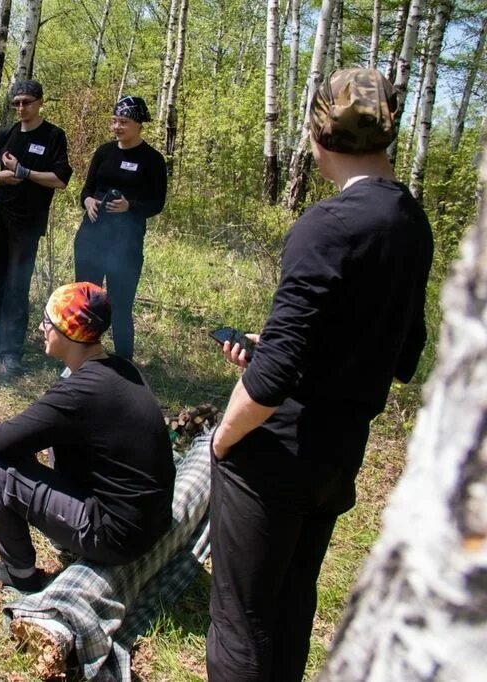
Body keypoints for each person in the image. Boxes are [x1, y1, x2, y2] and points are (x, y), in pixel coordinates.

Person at [206, 68, 434, 682]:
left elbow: (274, 379)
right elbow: (404, 352)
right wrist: (276, 345)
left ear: (319, 135)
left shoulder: (325, 226)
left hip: (274, 455)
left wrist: (223, 441)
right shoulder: (411, 222)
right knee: (289, 607)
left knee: (240, 621)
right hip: (339, 453)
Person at [0, 282, 175, 592]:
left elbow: (1, 442)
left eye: (47, 322)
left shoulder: (79, 393)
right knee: (57, 436)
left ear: (69, 331)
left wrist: (20, 443)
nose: (41, 327)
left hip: (116, 536)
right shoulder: (120, 368)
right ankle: (66, 540)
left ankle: (22, 576)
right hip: (151, 522)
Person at [0, 80, 73, 375]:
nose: (21, 108)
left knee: (17, 285)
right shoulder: (6, 134)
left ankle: (11, 351)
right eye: (16, 103)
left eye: (26, 102)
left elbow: (61, 179)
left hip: (28, 222)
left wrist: (25, 172)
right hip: (1, 216)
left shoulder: (53, 136)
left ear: (40, 102)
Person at [76, 95, 167, 360]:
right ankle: (81, 357)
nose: (117, 127)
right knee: (86, 299)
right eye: (114, 121)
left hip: (125, 244)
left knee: (120, 305)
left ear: (139, 124)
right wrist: (89, 201)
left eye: (123, 122)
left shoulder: (152, 160)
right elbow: (87, 188)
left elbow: (157, 203)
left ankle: (124, 362)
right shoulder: (104, 152)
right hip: (92, 237)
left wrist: (131, 207)